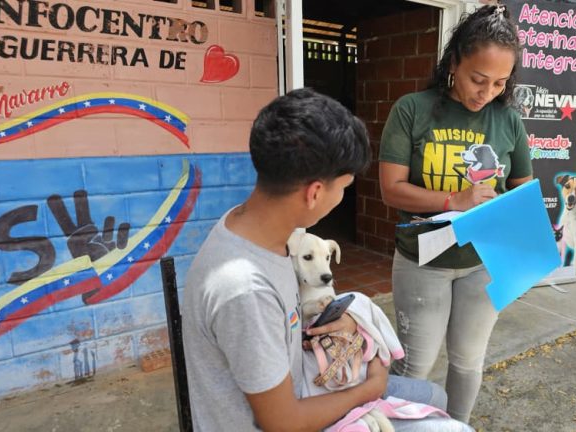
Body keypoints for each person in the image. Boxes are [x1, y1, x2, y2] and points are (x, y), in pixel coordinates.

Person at [182, 88, 473, 432]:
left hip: (300, 384)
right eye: (344, 187)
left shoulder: (257, 229)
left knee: (434, 397)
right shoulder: (244, 288)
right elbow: (282, 422)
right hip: (284, 417)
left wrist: (345, 322)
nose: (342, 197)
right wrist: (370, 389)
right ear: (315, 192)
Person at [378, 5, 532, 423]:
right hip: (422, 259)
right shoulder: (412, 109)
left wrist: (533, 242)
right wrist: (453, 201)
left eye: (500, 83)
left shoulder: (509, 121)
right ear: (454, 63)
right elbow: (391, 189)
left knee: (467, 362)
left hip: (483, 263)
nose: (487, 92)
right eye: (477, 79)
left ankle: (456, 428)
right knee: (415, 366)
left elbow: (520, 192)